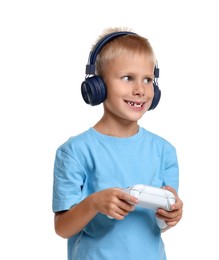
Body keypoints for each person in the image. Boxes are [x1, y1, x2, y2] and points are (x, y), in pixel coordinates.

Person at [52, 27, 183, 260]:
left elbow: (159, 224)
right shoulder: (74, 152)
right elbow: (62, 228)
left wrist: (171, 215)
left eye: (148, 79)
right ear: (97, 86)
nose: (140, 90)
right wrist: (94, 203)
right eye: (127, 78)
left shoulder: (164, 151)